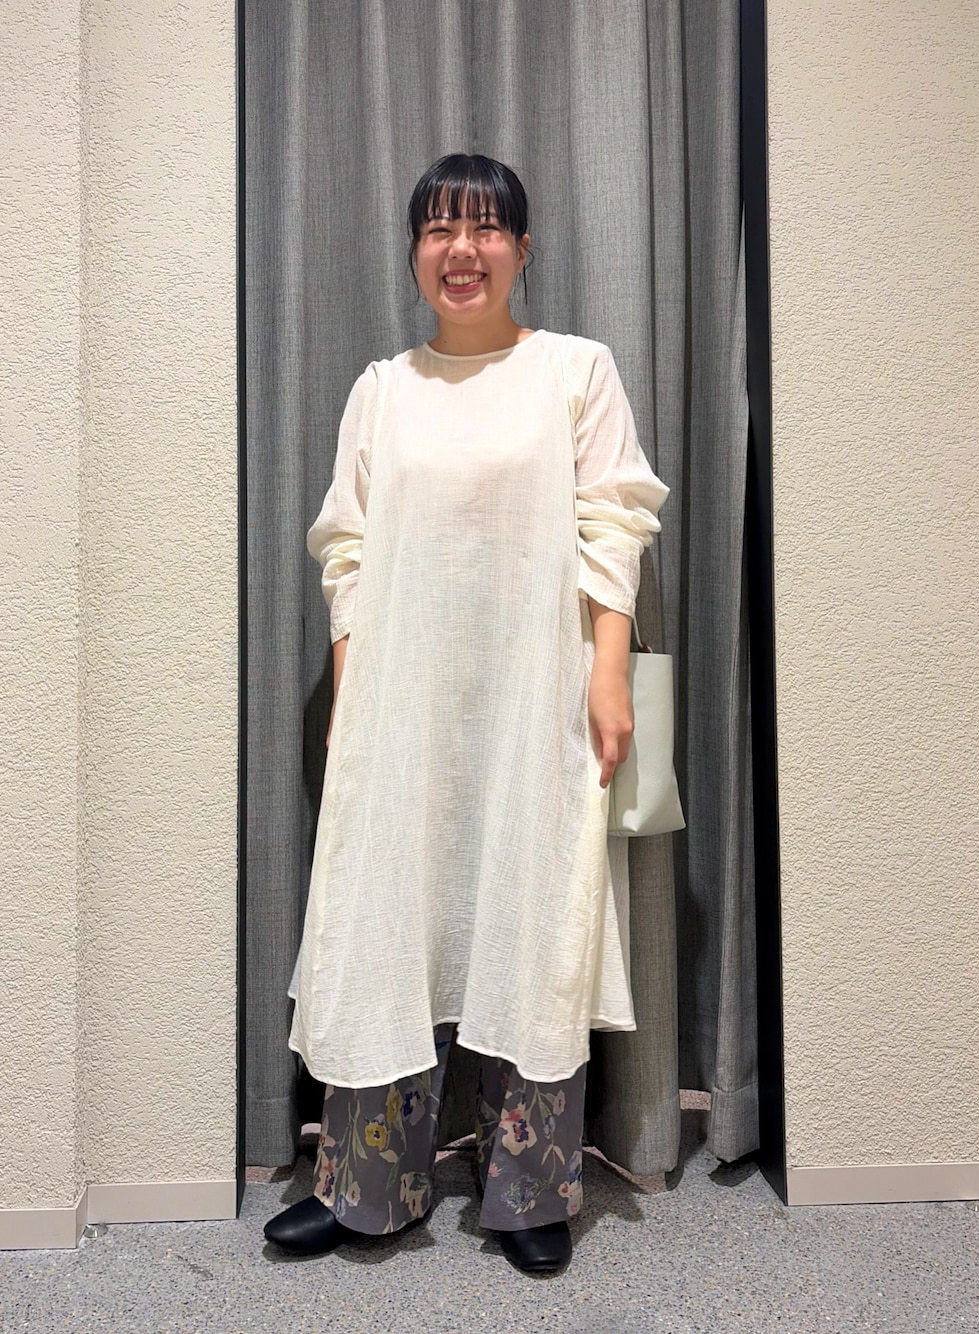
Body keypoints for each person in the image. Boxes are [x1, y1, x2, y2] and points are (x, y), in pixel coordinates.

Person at [264, 153, 669, 1275]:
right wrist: (351, 687)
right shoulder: (382, 389)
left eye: (485, 228)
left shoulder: (575, 371)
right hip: (401, 707)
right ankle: (365, 1186)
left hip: (536, 702)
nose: (461, 249)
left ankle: (527, 1186)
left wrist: (607, 674)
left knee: (534, 920)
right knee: (383, 923)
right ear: (413, 254)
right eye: (439, 228)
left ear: (522, 251)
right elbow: (347, 547)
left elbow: (614, 522)